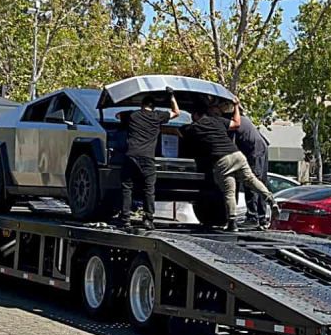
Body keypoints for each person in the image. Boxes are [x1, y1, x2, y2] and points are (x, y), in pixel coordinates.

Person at [181, 100, 279, 232]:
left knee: (229, 192)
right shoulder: (221, 122)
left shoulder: (195, 127)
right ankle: (271, 200)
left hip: (226, 159)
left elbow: (180, 132)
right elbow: (236, 124)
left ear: (195, 115)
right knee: (253, 181)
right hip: (238, 155)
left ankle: (237, 221)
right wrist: (237, 105)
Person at [118, 90, 180, 230]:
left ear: (142, 105)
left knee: (127, 187)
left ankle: (125, 220)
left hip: (131, 155)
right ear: (153, 106)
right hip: (147, 157)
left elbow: (117, 116)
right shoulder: (157, 116)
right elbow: (176, 112)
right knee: (149, 188)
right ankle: (148, 220)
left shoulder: (133, 115)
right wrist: (171, 96)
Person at [231, 114, 271, 229]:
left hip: (254, 150)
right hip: (261, 147)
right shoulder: (242, 118)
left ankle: (252, 217)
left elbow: (230, 146)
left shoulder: (232, 122)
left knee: (251, 181)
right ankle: (262, 218)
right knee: (260, 183)